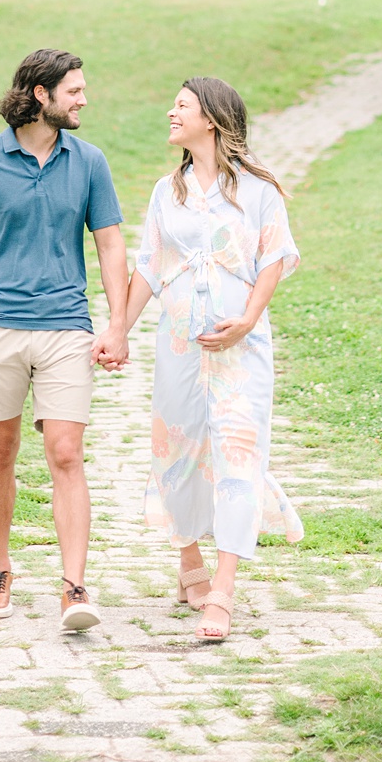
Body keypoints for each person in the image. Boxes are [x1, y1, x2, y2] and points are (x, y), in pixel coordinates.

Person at [101, 76, 302, 644]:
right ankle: (187, 558)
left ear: (209, 120)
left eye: (181, 106)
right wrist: (118, 330)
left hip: (243, 347)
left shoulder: (258, 189)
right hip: (180, 345)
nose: (171, 113)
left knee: (239, 453)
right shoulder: (170, 191)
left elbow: (275, 258)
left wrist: (247, 320)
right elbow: (148, 265)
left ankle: (223, 589)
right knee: (179, 448)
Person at [0, 47, 130, 632]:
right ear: (40, 95)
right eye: (73, 90)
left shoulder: (89, 161)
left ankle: (74, 586)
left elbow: (110, 245)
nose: (83, 99)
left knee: (66, 454)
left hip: (65, 329)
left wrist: (117, 323)